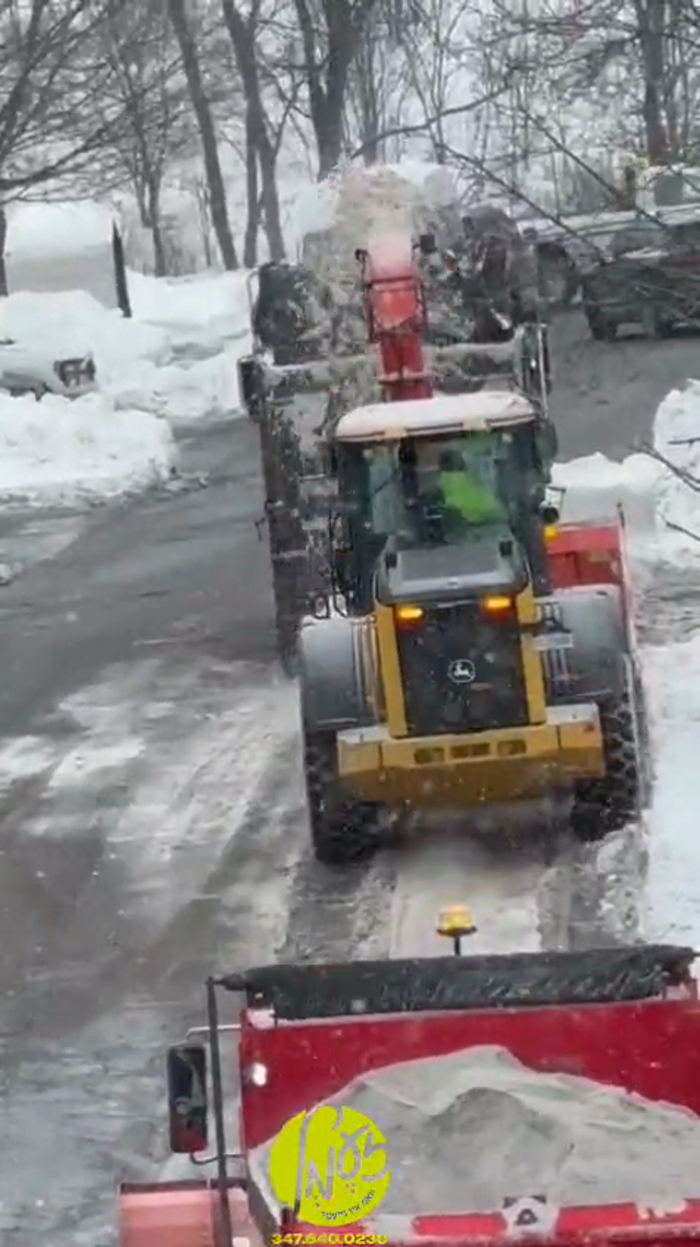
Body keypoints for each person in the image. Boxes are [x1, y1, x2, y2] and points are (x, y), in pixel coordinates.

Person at [437, 448, 505, 526]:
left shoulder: (443, 482)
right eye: (460, 459)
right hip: (486, 516)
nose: (464, 461)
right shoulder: (465, 479)